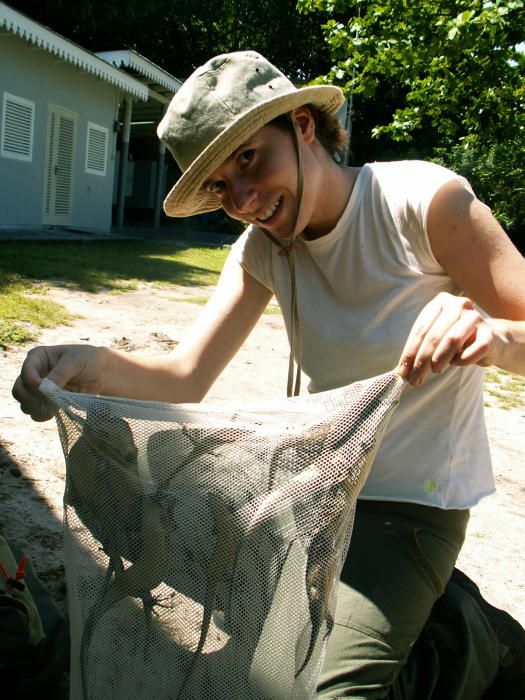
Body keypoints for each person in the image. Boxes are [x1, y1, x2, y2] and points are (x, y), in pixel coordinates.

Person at [12, 51, 525, 699]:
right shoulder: (259, 250)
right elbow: (182, 376)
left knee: (313, 693)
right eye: (222, 187)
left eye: (249, 159)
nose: (244, 199)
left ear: (304, 125)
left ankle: (466, 641)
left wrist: (491, 336)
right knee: (108, 471)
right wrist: (89, 364)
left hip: (408, 507)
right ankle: (403, 607)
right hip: (314, 486)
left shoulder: (422, 200)